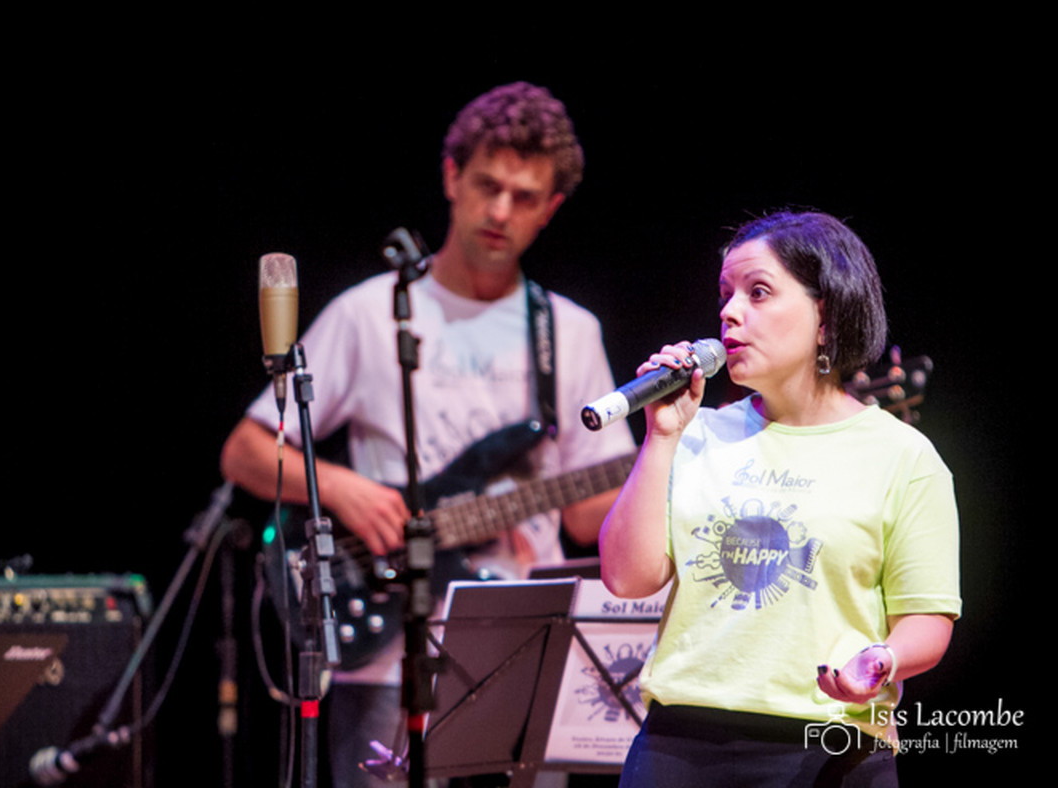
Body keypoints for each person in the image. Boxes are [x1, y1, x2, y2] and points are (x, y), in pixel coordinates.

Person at [222, 82, 636, 787]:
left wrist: (665, 462)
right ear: (451, 176)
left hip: (522, 648)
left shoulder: (570, 331)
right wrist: (346, 491)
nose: (500, 211)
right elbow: (247, 450)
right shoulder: (369, 312)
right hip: (388, 650)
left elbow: (586, 515)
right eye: (487, 185)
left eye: (525, 196)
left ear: (551, 209)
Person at [598, 210, 961, 787]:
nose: (729, 312)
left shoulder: (903, 456)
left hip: (831, 746)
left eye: (758, 292)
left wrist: (881, 661)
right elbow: (626, 577)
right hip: (679, 749)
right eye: (726, 294)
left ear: (827, 314)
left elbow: (926, 618)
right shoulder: (697, 435)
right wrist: (662, 436)